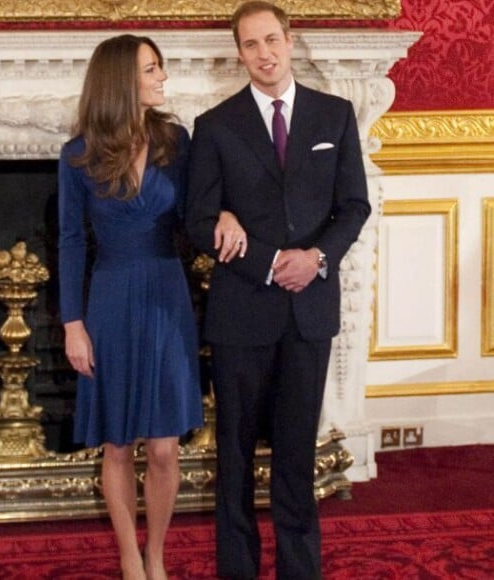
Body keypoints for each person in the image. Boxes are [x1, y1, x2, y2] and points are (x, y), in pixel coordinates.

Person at [186, 2, 372, 578]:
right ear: (238, 53)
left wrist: (315, 258)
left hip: (309, 313)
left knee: (296, 457)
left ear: (291, 41)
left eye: (272, 40)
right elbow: (196, 221)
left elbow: (354, 206)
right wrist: (268, 263)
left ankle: (300, 569)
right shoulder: (214, 126)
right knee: (235, 459)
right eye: (250, 45)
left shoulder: (335, 116)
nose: (263, 54)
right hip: (243, 312)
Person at [58, 34, 243, 580]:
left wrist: (226, 216)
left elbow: (199, 210)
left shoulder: (175, 141)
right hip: (109, 300)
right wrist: (73, 323)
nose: (162, 77)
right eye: (151, 68)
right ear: (121, 79)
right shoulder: (77, 155)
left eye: (160, 67)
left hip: (167, 295)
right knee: (117, 445)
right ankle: (129, 558)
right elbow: (70, 241)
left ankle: (157, 553)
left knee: (164, 448)